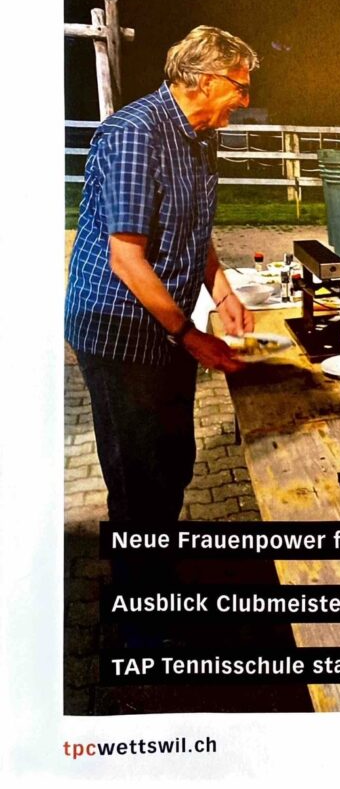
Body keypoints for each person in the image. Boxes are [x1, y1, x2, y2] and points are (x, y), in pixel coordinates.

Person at [65, 26, 259, 526]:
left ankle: (161, 555)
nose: (245, 100)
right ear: (205, 80)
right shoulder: (135, 134)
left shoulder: (200, 138)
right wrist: (190, 336)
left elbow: (194, 228)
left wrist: (222, 294)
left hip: (167, 326)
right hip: (119, 330)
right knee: (139, 484)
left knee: (173, 462)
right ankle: (138, 571)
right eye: (239, 87)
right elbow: (126, 259)